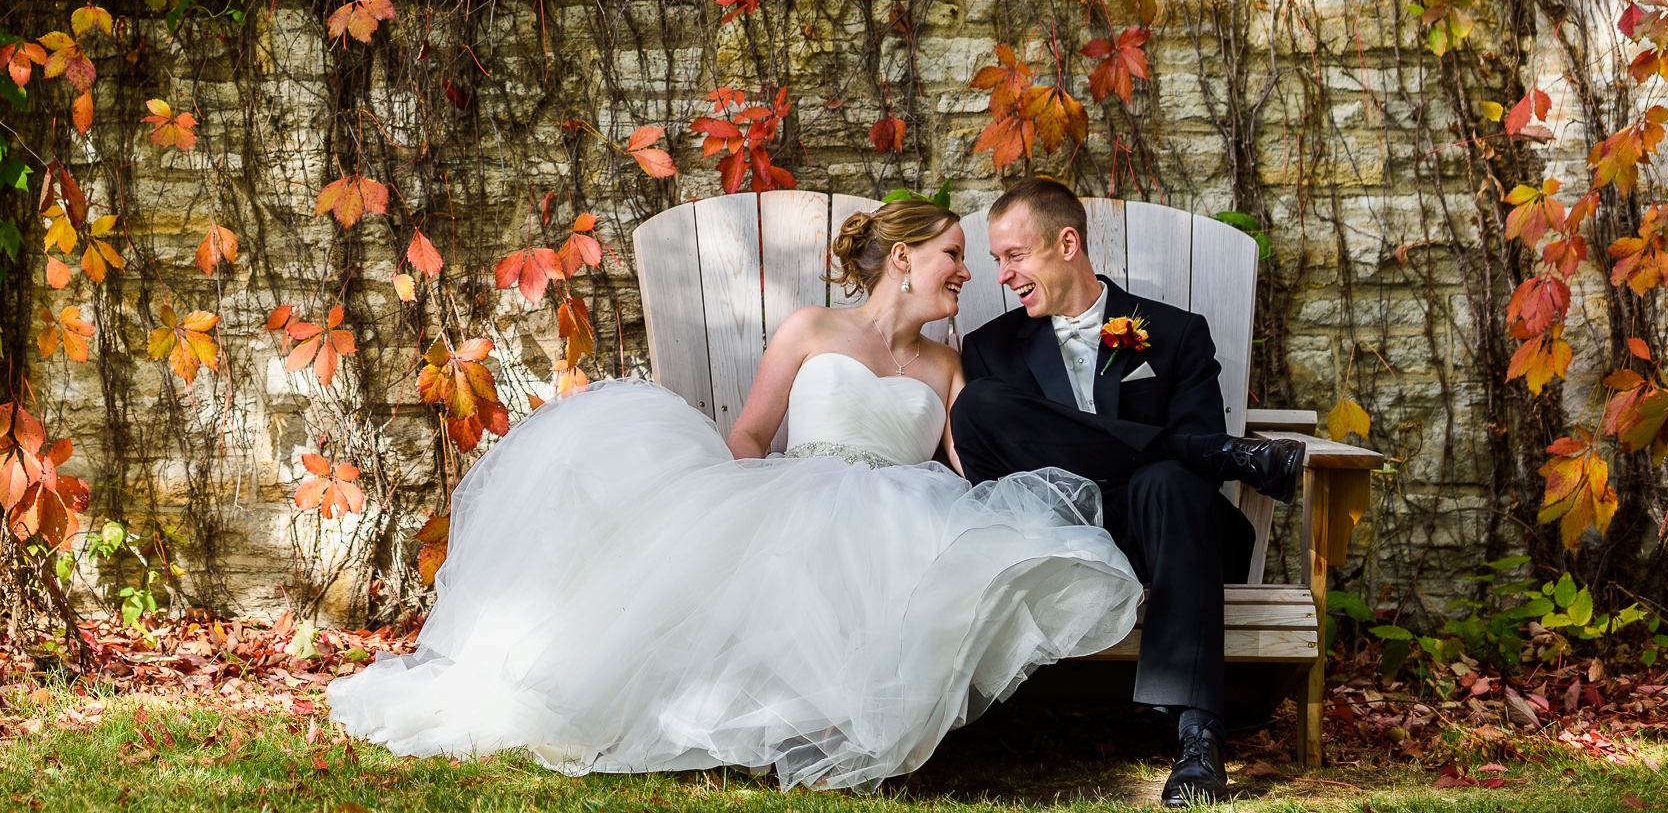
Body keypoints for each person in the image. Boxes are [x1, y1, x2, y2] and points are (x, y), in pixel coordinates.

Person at [327, 197, 1145, 789]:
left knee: (916, 550)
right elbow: (751, 433)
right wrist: (755, 499)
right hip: (800, 486)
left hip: (905, 502)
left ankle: (847, 728)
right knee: (796, 546)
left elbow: (965, 463)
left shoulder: (947, 364)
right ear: (902, 257)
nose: (967, 272)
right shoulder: (812, 329)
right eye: (952, 255)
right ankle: (778, 721)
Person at [950, 177, 1305, 808]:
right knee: (978, 406)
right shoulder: (990, 352)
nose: (1001, 275)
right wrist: (1204, 450)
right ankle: (1233, 452)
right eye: (996, 259)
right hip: (1057, 533)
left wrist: (1177, 455)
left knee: (1169, 475)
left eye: (1013, 256)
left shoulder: (1169, 332)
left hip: (1172, 535)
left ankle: (1198, 741)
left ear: (1066, 244)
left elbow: (1194, 478)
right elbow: (999, 464)